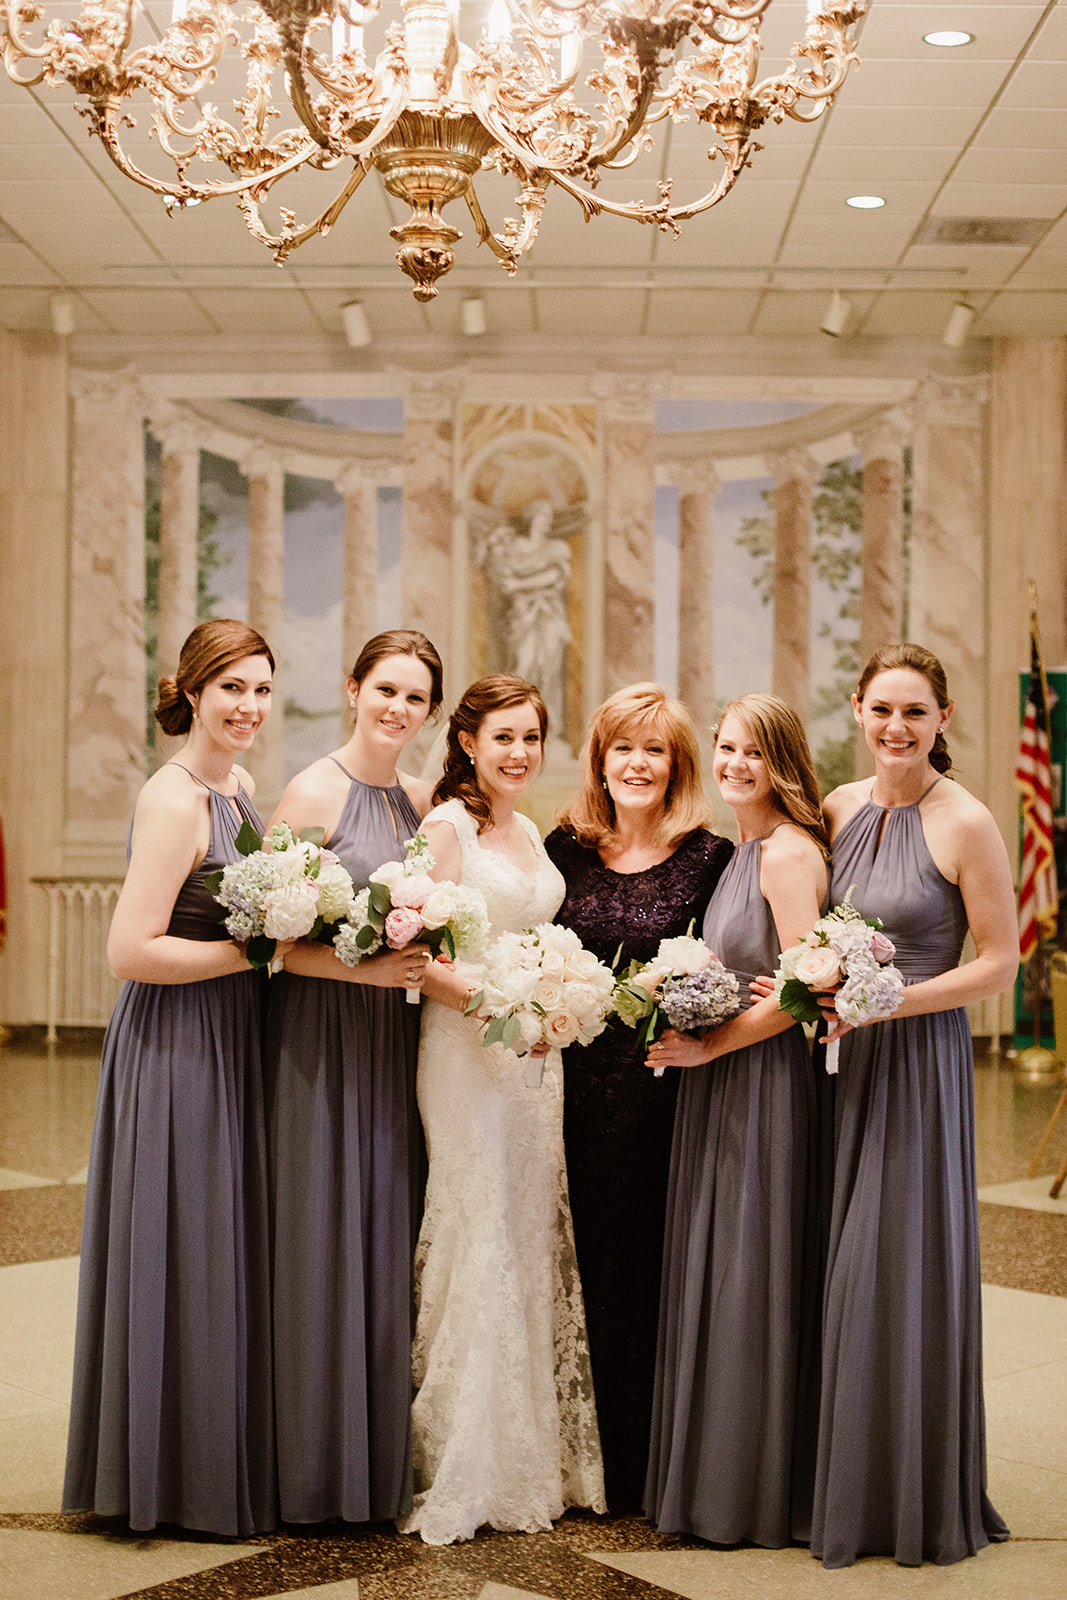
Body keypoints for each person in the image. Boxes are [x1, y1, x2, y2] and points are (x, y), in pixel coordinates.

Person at [63, 619, 281, 1537]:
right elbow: (129, 951)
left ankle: (205, 1458)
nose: (249, 707)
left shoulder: (238, 786)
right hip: (178, 1041)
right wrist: (255, 952)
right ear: (192, 691)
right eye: (231, 687)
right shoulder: (173, 799)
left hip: (228, 1037)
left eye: (262, 690)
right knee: (179, 1242)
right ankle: (162, 1475)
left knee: (214, 1243)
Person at [811, 643, 1017, 1568]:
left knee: (891, 1267)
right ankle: (834, 1474)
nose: (896, 728)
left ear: (941, 721)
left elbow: (998, 960)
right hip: (836, 1069)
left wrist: (892, 999)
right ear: (856, 710)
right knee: (832, 1264)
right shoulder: (837, 809)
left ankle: (906, 1490)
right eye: (881, 709)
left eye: (915, 712)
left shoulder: (965, 821)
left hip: (915, 1068)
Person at [397, 675, 605, 1545]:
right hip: (465, 1053)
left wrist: (557, 1005)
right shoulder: (443, 826)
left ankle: (527, 1452)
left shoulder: (524, 827)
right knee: (476, 1224)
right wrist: (504, 1009)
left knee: (523, 1228)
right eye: (503, 737)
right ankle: (463, 1459)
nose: (519, 752)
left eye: (531, 737)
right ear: (468, 742)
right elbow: (410, 954)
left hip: (532, 1059)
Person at [263, 629, 443, 1525]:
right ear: (352, 689)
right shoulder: (311, 790)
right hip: (320, 1035)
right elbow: (268, 940)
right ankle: (308, 1466)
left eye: (415, 698)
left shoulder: (419, 800)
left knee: (383, 1231)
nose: (397, 709)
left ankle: (371, 1464)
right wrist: (362, 972)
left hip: (389, 1044)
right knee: (319, 1232)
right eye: (386, 689)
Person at [644, 694, 830, 1547]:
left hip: (760, 1087)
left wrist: (711, 1050)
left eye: (752, 752)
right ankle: (711, 1470)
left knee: (749, 1268)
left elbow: (804, 991)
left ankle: (743, 1487)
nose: (734, 765)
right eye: (724, 748)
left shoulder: (786, 853)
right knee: (721, 1265)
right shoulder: (740, 848)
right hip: (719, 1082)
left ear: (782, 761)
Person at [544, 684, 733, 1511]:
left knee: (650, 1262)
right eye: (622, 746)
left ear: (677, 764)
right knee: (573, 1258)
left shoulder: (709, 857)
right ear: (599, 759)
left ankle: (650, 1457)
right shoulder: (563, 849)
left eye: (653, 749)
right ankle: (577, 1453)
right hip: (567, 1094)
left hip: (666, 1095)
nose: (636, 763)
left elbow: (737, 964)